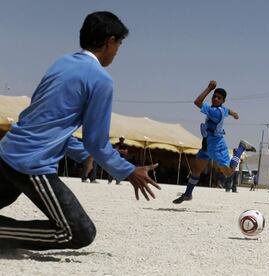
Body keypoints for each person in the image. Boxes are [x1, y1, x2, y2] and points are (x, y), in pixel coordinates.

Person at [0, 11, 160, 251]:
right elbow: (96, 142)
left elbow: (47, 120)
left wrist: (81, 153)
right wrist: (128, 171)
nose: (117, 51)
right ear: (110, 41)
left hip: (7, 152)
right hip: (31, 164)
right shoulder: (100, 80)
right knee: (78, 232)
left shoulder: (61, 63)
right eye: (118, 44)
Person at [172, 80, 255, 204]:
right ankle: (188, 194)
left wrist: (209, 88)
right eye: (214, 96)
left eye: (219, 98)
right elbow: (228, 111)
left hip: (217, 147)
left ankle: (240, 149)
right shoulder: (220, 109)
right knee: (196, 170)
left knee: (228, 173)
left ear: (222, 101)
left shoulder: (214, 112)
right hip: (207, 144)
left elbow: (197, 102)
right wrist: (234, 114)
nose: (215, 99)